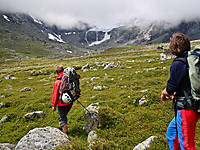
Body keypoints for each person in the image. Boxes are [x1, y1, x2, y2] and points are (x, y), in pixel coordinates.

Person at [161, 32, 200, 150]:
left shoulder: (178, 63)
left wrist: (164, 93)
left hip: (186, 108)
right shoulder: (191, 60)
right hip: (191, 105)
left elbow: (171, 87)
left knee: (187, 145)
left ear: (176, 48)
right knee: (172, 133)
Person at [52, 66, 73, 134]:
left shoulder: (58, 82)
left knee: (63, 118)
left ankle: (66, 134)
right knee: (62, 115)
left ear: (56, 72)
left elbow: (55, 95)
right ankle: (59, 129)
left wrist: (53, 105)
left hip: (62, 103)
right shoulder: (68, 78)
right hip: (70, 102)